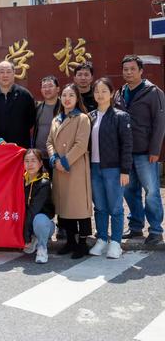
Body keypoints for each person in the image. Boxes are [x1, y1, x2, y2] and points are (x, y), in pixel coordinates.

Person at [114, 54, 165, 245]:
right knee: (130, 191)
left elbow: (160, 123)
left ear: (141, 71)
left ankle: (155, 229)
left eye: (132, 69)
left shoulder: (153, 92)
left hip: (145, 153)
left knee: (151, 191)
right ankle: (136, 227)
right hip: (125, 153)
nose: (128, 72)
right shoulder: (120, 92)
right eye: (125, 69)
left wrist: (155, 150)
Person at [46, 83, 92, 259]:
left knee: (79, 207)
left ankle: (82, 243)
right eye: (64, 95)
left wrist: (64, 162)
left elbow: (81, 145)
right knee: (65, 206)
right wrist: (54, 159)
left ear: (77, 98)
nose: (67, 99)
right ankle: (70, 241)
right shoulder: (56, 119)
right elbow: (49, 141)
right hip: (60, 168)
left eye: (71, 95)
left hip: (76, 167)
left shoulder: (82, 118)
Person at [89, 78, 133, 259]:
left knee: (115, 207)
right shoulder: (90, 116)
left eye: (104, 91)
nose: (100, 94)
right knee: (99, 206)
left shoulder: (120, 116)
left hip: (113, 169)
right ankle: (101, 239)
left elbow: (127, 145)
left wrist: (125, 170)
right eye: (97, 91)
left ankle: (115, 242)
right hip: (94, 168)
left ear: (112, 93)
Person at [0, 60, 35, 148]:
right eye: (2, 72)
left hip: (20, 147)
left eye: (8, 72)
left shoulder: (25, 95)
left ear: (14, 73)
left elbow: (31, 120)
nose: (5, 75)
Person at [22, 149, 55, 264]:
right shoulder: (20, 180)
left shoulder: (44, 183)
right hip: (28, 222)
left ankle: (42, 247)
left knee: (39, 220)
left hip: (44, 224)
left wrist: (26, 237)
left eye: (33, 161)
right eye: (26, 161)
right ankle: (33, 238)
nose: (30, 164)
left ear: (40, 163)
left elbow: (33, 211)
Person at [32, 75, 61, 174]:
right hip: (40, 157)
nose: (47, 89)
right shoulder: (38, 107)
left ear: (58, 89)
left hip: (58, 156)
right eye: (44, 87)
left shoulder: (64, 107)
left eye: (50, 86)